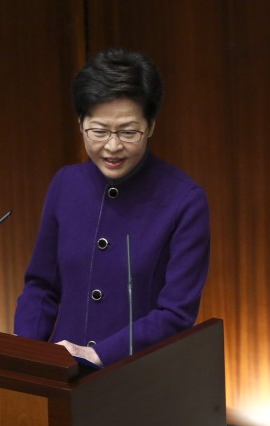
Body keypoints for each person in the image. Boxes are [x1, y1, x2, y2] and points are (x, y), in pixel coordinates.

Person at [14, 47, 210, 368]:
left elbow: (176, 312)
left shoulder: (185, 200)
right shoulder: (66, 184)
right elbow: (41, 286)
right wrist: (26, 348)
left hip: (136, 377)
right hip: (61, 373)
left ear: (151, 126)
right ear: (80, 123)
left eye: (128, 131)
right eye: (99, 130)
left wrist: (99, 355)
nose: (113, 145)